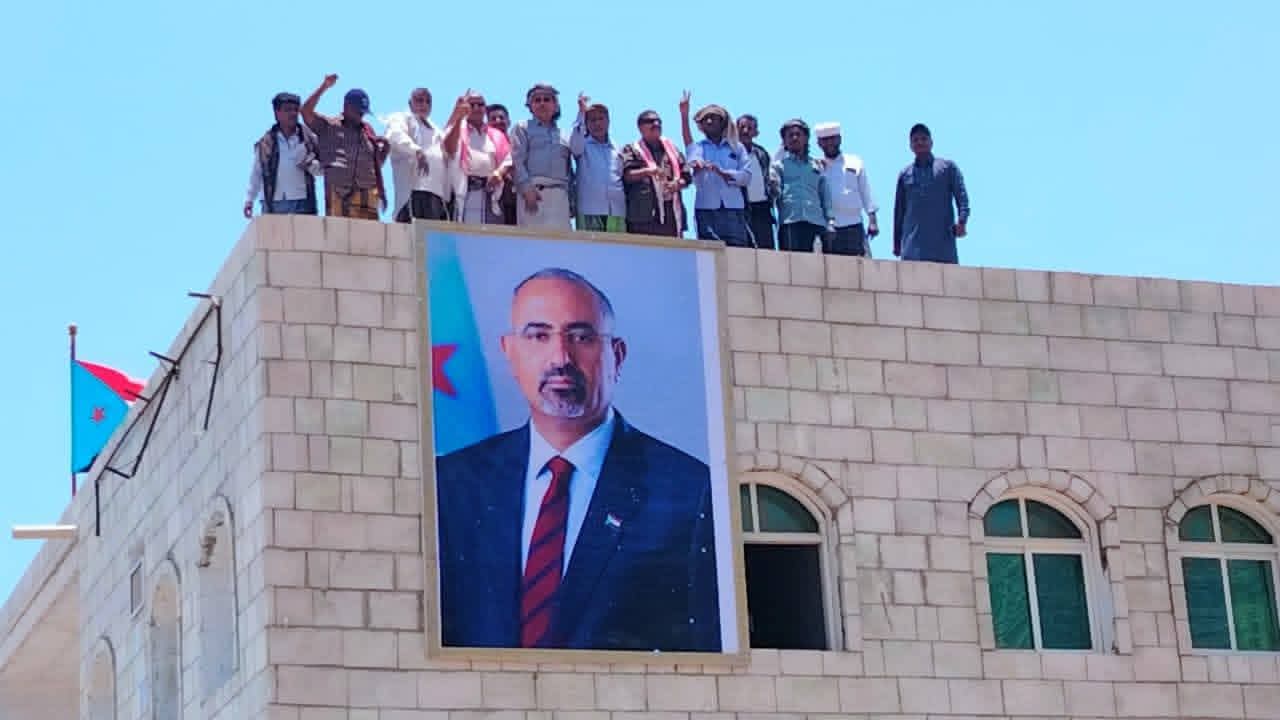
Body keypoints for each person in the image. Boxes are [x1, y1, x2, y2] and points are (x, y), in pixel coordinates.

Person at [435, 268, 721, 652]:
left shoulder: (691, 491)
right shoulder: (452, 482)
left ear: (616, 355)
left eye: (581, 337)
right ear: (510, 352)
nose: (560, 357)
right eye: (538, 336)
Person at [301, 74, 390, 220]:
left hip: (367, 198)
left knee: (370, 234)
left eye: (363, 112)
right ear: (346, 107)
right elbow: (305, 112)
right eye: (358, 111)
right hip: (339, 195)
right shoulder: (329, 127)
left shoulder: (368, 132)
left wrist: (384, 151)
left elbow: (375, 165)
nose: (361, 116)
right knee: (339, 234)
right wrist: (324, 87)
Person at [679, 93, 752, 247]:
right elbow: (691, 154)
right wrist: (684, 115)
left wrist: (723, 173)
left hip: (734, 210)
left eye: (713, 118)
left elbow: (746, 177)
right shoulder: (698, 147)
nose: (709, 122)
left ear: (722, 123)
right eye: (705, 119)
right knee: (709, 255)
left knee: (737, 252)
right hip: (706, 210)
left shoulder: (737, 147)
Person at [892, 123, 971, 263]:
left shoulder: (947, 168)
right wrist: (897, 244)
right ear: (910, 146)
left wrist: (962, 221)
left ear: (931, 142)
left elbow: (962, 197)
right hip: (912, 251)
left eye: (923, 139)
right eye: (915, 140)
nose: (920, 143)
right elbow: (899, 212)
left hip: (943, 249)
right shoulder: (905, 175)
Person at [244, 92, 322, 218]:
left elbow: (324, 168)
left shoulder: (308, 139)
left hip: (302, 203)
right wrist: (249, 200)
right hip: (273, 203)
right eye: (288, 110)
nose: (293, 113)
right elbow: (257, 173)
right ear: (277, 113)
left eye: (295, 110)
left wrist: (311, 164)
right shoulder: (266, 143)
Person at [510, 84, 574, 229]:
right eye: (537, 100)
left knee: (560, 241)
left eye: (547, 99)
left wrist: (572, 201)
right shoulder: (522, 128)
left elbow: (569, 170)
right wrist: (526, 189)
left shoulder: (565, 135)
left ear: (555, 105)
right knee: (533, 240)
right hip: (533, 194)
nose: (542, 103)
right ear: (530, 106)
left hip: (560, 197)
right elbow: (517, 161)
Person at [442, 90, 510, 224]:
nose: (476, 108)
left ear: (485, 108)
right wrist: (459, 118)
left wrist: (499, 173)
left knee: (491, 235)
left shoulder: (496, 134)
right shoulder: (457, 129)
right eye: (472, 105)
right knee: (463, 234)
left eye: (480, 104)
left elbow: (509, 159)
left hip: (491, 194)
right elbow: (448, 149)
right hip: (464, 193)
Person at [618, 110, 690, 237]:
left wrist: (678, 184)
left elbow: (687, 176)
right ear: (640, 127)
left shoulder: (673, 150)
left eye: (658, 121)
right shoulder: (632, 149)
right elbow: (627, 176)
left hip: (671, 215)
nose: (656, 124)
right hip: (643, 217)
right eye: (650, 121)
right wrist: (648, 172)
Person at [385, 88, 450, 222]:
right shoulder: (403, 118)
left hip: (437, 196)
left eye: (428, 102)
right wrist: (417, 151)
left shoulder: (437, 130)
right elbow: (395, 135)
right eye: (419, 100)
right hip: (413, 194)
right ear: (410, 103)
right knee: (412, 234)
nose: (424, 105)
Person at [815, 121, 878, 257]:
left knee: (859, 265)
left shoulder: (855, 161)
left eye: (833, 138)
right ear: (819, 143)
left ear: (840, 139)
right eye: (825, 140)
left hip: (854, 224)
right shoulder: (816, 166)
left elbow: (866, 192)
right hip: (829, 228)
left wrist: (873, 221)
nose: (829, 143)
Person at [772, 119, 833, 253]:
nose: (794, 138)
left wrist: (830, 222)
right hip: (790, 223)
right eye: (790, 135)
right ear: (784, 141)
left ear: (806, 138)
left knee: (818, 264)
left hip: (816, 223)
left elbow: (825, 195)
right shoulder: (778, 166)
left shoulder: (817, 166)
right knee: (791, 264)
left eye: (798, 134)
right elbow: (775, 191)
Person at [569, 94, 626, 232]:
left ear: (608, 121)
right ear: (586, 123)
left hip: (616, 211)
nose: (597, 123)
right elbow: (574, 143)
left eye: (601, 119)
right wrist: (581, 113)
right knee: (590, 246)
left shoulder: (618, 149)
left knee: (617, 246)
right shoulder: (582, 145)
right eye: (592, 120)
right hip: (590, 210)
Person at [736, 114, 778, 249]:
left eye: (750, 128)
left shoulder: (761, 153)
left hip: (762, 209)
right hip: (741, 209)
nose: (745, 131)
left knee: (766, 250)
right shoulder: (731, 152)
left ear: (756, 132)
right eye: (742, 127)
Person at [487, 103, 518, 224]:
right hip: (492, 199)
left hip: (515, 199)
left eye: (501, 118)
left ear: (509, 122)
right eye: (493, 119)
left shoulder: (518, 143)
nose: (498, 121)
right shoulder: (484, 144)